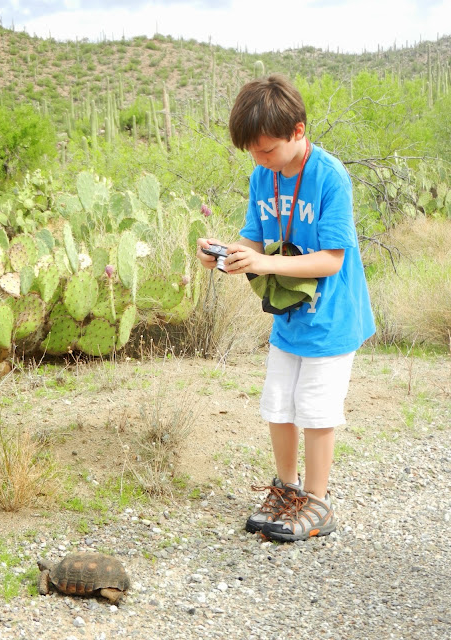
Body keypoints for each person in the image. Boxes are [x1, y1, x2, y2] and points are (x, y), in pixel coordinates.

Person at [196, 74, 375, 543]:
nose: (259, 160)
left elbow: (332, 260)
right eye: (252, 153)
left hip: (331, 318)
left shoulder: (330, 176)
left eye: (266, 150)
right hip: (289, 315)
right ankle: (286, 489)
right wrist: (228, 255)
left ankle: (316, 503)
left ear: (297, 131)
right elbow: (255, 239)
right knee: (279, 404)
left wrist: (261, 260)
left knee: (316, 410)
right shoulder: (262, 175)